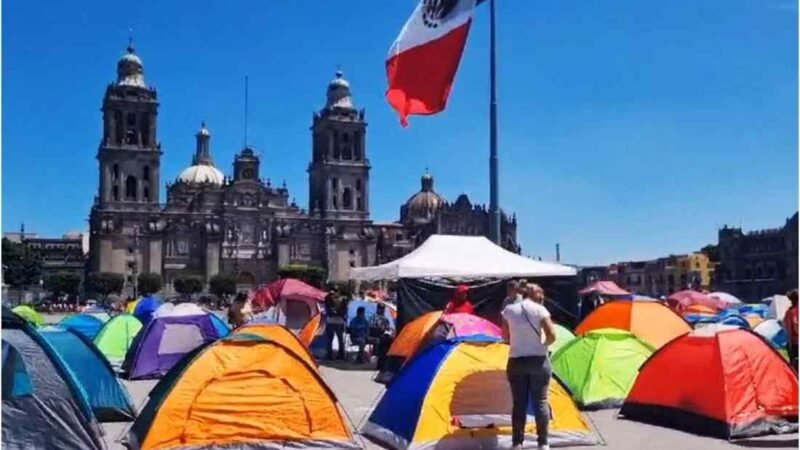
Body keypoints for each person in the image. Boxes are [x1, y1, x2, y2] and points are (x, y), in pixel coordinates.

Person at [501, 283, 557, 450]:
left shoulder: (508, 310)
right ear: (534, 294)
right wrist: (543, 345)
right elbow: (552, 335)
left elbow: (505, 336)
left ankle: (517, 443)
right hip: (538, 361)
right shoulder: (540, 310)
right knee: (540, 402)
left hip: (516, 360)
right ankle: (543, 443)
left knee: (519, 404)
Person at [371, 303, 395, 370]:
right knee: (387, 342)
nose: (382, 310)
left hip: (382, 335)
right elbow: (379, 328)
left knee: (389, 341)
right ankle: (382, 364)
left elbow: (387, 327)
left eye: (382, 309)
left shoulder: (383, 318)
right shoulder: (376, 317)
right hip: (377, 336)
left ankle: (384, 363)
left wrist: (390, 330)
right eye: (381, 309)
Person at [325, 292, 347, 360]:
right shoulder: (343, 300)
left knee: (329, 340)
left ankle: (329, 355)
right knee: (340, 340)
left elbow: (327, 309)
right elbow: (345, 310)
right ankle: (341, 355)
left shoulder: (328, 298)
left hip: (330, 321)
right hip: (340, 321)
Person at [784, 289, 798, 369]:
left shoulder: (790, 312)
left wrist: (789, 344)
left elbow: (789, 328)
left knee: (794, 364)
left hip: (795, 342)